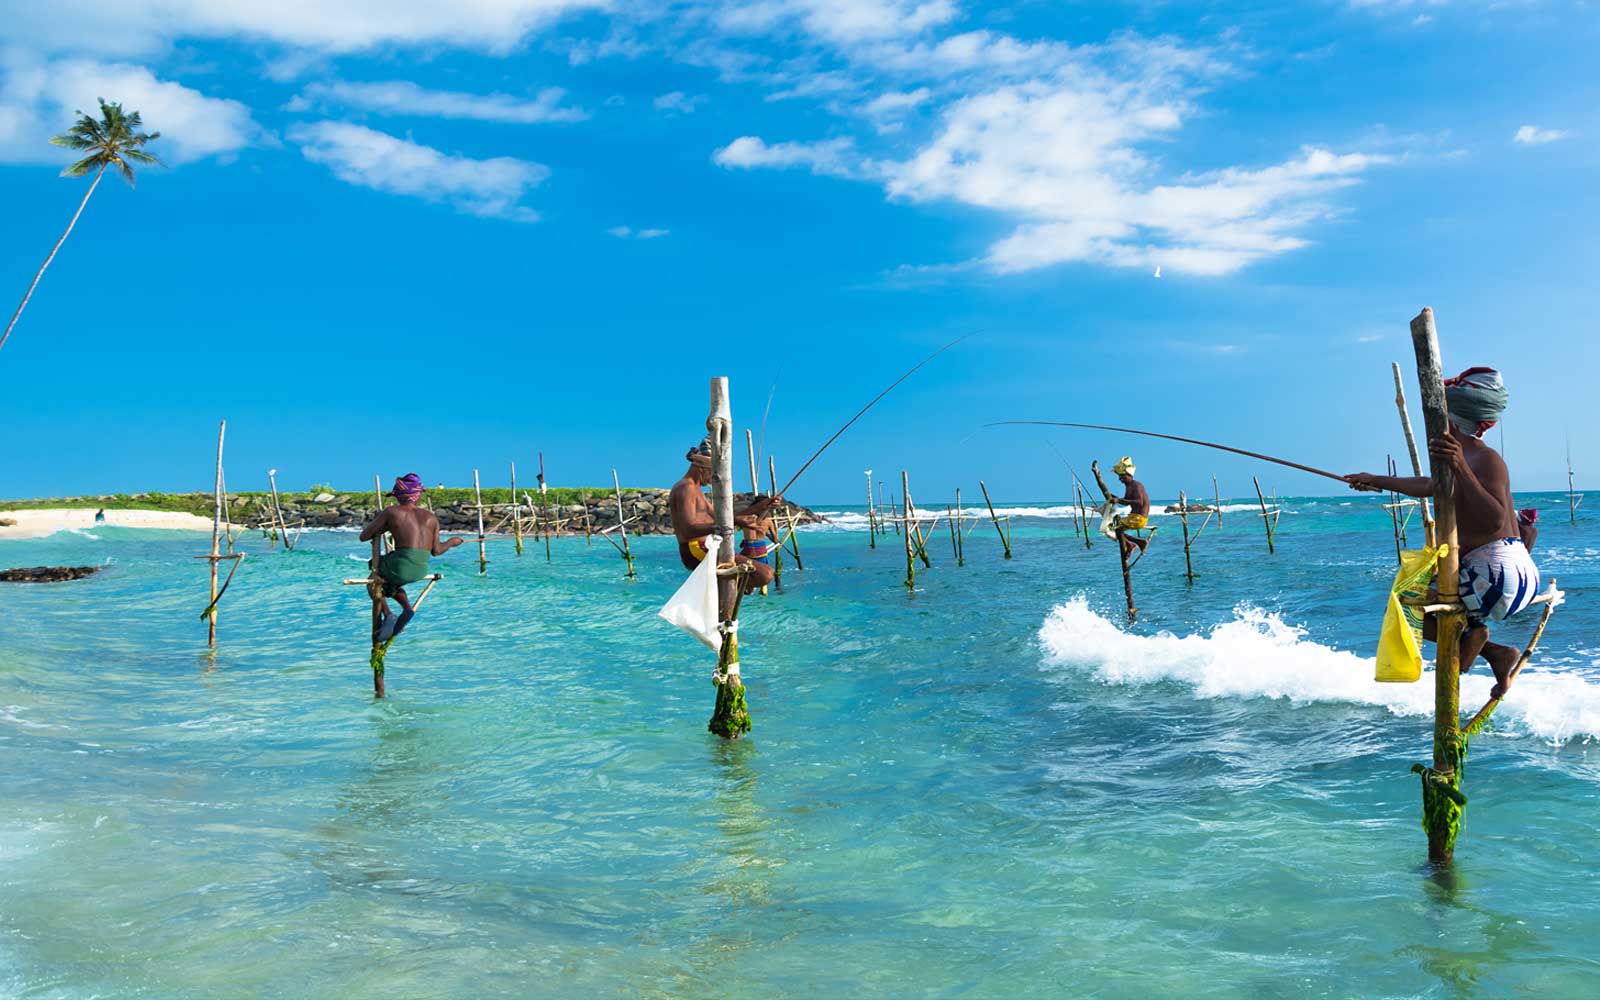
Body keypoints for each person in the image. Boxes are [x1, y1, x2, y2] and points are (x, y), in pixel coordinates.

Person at [1346, 367, 1539, 698]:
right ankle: (1495, 652)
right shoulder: (1467, 458)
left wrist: (1460, 466)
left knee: (1408, 607)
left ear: (1452, 420)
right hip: (1500, 575)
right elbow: (1431, 486)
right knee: (1425, 605)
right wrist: (1377, 480)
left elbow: (1493, 520)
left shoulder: (1485, 458)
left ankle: (1476, 641)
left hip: (1494, 574)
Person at [359, 473, 465, 642]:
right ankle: (407, 608)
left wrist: (384, 525)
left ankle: (388, 615)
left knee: (373, 579)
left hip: (400, 565)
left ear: (398, 496)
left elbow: (364, 536)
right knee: (393, 583)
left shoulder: (391, 512)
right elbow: (436, 551)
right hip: (421, 569)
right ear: (417, 495)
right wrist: (452, 542)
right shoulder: (431, 517)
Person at [669, 438, 778, 593]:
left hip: (705, 547)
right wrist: (722, 527)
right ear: (702, 467)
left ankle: (724, 590)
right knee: (764, 574)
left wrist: (763, 505)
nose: (713, 480)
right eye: (713, 473)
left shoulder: (695, 490)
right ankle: (724, 590)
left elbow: (726, 517)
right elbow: (687, 531)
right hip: (696, 550)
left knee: (761, 574)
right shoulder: (686, 488)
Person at [1109, 456, 1151, 561]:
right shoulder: (1128, 486)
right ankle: (1133, 544)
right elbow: (1126, 502)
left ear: (1129, 475)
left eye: (1122, 476)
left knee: (1114, 528)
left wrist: (1118, 500)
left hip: (1139, 518)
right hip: (1133, 516)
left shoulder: (1136, 485)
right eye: (1119, 477)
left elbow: (1139, 502)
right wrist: (1116, 498)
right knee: (1111, 528)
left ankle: (1136, 543)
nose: (1120, 479)